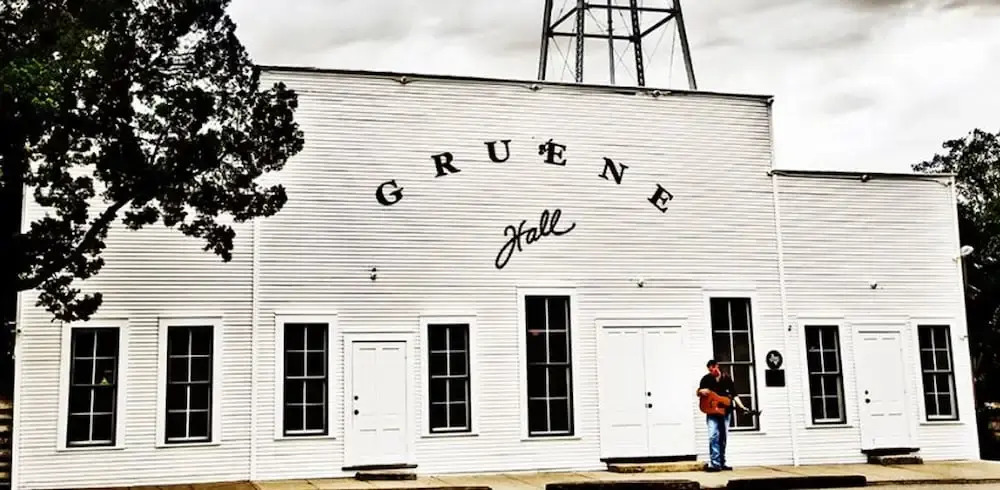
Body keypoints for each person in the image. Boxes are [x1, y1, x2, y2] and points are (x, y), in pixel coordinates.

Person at [696, 359, 751, 472]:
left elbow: (734, 394)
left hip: (725, 412)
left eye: (713, 369)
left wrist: (741, 406)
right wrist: (701, 391)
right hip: (712, 412)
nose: (712, 372)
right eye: (710, 370)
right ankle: (715, 464)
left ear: (717, 366)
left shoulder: (726, 379)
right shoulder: (706, 379)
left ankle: (722, 462)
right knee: (713, 436)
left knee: (723, 437)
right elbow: (699, 392)